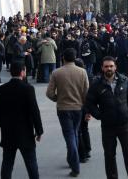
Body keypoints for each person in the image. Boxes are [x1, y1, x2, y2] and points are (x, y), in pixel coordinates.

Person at [85, 56, 128, 179]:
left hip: (124, 125)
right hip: (107, 126)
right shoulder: (97, 84)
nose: (109, 68)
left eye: (111, 66)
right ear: (102, 68)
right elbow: (90, 102)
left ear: (115, 67)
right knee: (109, 156)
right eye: (106, 66)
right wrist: (99, 115)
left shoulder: (124, 81)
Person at [0, 62, 44, 179]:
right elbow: (34, 111)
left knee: (7, 163)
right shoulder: (28, 89)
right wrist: (39, 130)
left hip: (8, 132)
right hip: (25, 132)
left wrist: (3, 124)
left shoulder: (1, 89)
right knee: (31, 163)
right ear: (23, 72)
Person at [46, 48, 89, 177]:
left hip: (63, 108)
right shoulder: (82, 72)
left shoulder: (56, 72)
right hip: (78, 108)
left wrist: (57, 99)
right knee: (74, 133)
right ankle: (72, 160)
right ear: (75, 58)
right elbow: (86, 92)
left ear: (63, 58)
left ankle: (74, 164)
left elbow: (49, 93)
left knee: (70, 135)